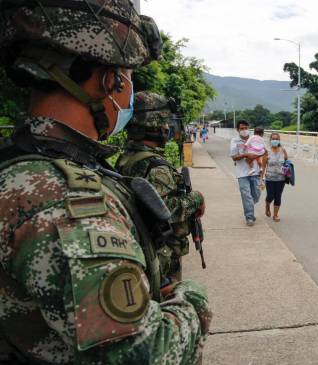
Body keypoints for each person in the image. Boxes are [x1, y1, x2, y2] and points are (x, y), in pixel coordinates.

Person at [0, 3, 211, 363]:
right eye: (129, 78)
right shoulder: (64, 199)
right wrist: (193, 299)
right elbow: (149, 352)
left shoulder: (20, 165)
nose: (129, 92)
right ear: (108, 81)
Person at [116, 91, 206, 284]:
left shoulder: (128, 157)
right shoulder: (156, 166)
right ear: (153, 125)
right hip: (161, 249)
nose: (167, 127)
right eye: (164, 123)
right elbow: (164, 210)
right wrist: (197, 198)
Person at [230, 120, 261, 226]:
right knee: (246, 195)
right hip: (242, 173)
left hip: (255, 172)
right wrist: (245, 155)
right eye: (242, 128)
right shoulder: (235, 141)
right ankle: (249, 217)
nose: (244, 130)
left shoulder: (255, 139)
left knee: (256, 195)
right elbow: (234, 157)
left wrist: (256, 156)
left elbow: (262, 151)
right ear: (237, 130)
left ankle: (249, 207)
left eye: (246, 128)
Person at [261, 132, 288, 222]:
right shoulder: (267, 152)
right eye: (273, 139)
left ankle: (275, 215)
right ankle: (267, 205)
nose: (275, 140)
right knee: (270, 196)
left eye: (276, 139)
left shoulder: (283, 150)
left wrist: (287, 173)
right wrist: (261, 178)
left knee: (278, 196)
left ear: (279, 140)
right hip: (270, 178)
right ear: (270, 140)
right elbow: (263, 166)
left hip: (281, 179)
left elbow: (287, 163)